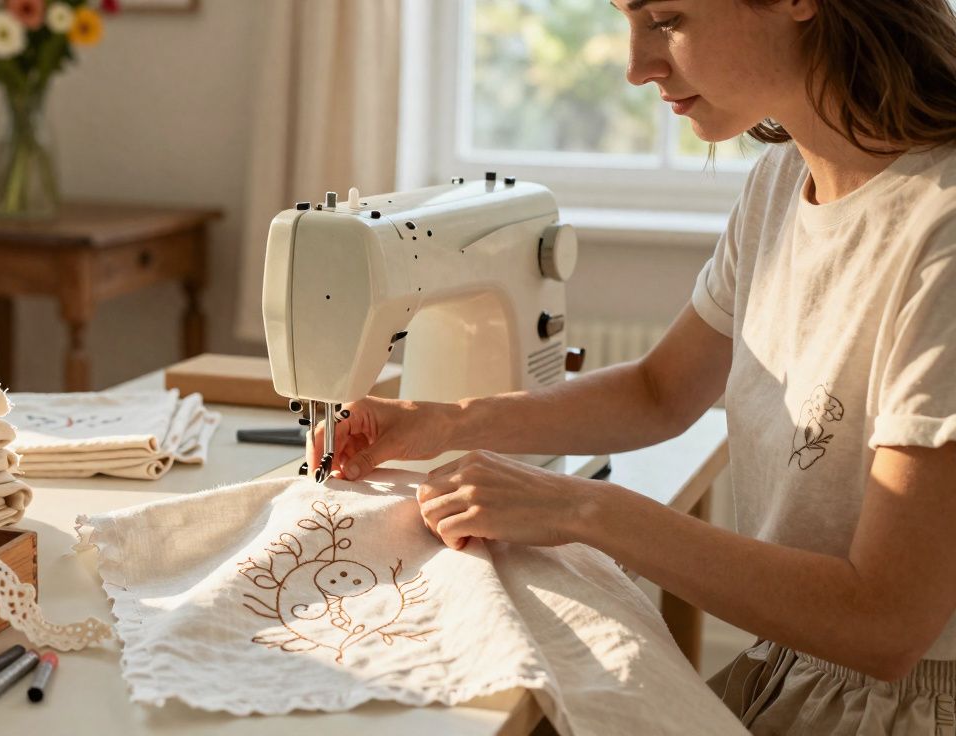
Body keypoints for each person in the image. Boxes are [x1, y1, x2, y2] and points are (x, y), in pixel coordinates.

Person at [310, 0, 956, 731]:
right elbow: (659, 391)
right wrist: (439, 421)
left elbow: (886, 625)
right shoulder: (782, 179)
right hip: (799, 672)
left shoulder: (942, 234)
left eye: (668, 18)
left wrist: (581, 509)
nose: (635, 67)